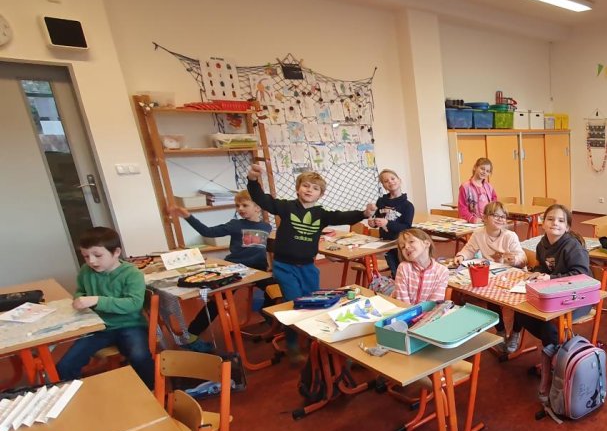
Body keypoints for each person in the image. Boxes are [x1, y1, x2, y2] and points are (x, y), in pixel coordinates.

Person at [246, 162, 376, 361]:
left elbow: (341, 216)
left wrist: (364, 214)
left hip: (308, 267)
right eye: (305, 186)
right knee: (296, 304)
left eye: (315, 188)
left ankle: (311, 340)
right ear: (298, 188)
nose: (309, 190)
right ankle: (292, 345)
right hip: (285, 267)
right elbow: (261, 199)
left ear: (320, 195)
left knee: (314, 304)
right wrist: (253, 179)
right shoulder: (286, 207)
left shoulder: (320, 214)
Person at [168, 191, 273, 352]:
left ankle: (269, 315)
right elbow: (207, 232)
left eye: (245, 205)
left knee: (276, 288)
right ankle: (191, 334)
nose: (240, 208)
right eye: (237, 205)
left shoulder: (266, 226)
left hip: (258, 271)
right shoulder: (235, 225)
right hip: (236, 269)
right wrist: (188, 216)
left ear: (258, 207)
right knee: (217, 301)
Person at [55, 227, 155, 387]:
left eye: (98, 255)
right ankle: (73, 395)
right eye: (86, 256)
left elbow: (134, 304)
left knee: (139, 357)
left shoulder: (131, 274)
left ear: (116, 252)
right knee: (65, 365)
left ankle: (153, 391)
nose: (91, 261)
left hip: (130, 325)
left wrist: (97, 300)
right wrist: (79, 299)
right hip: (98, 327)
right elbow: (81, 291)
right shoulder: (86, 271)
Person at [511, 205, 592, 400]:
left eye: (561, 220)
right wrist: (537, 272)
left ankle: (557, 360)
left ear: (567, 227)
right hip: (554, 295)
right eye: (550, 219)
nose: (555, 223)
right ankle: (557, 349)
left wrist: (551, 278)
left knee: (549, 321)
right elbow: (543, 266)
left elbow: (581, 275)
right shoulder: (542, 244)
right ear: (543, 223)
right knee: (522, 309)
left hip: (579, 297)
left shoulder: (572, 246)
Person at [452, 201, 527, 353]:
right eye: (495, 215)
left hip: (514, 274)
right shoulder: (479, 234)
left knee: (520, 303)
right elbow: (469, 249)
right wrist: (461, 256)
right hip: (494, 274)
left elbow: (521, 257)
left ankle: (516, 332)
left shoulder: (509, 236)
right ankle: (500, 330)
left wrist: (514, 259)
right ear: (485, 217)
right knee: (488, 295)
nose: (500, 219)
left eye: (503, 216)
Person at [366, 169, 415, 277]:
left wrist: (387, 223)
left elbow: (406, 227)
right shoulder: (381, 201)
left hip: (400, 244)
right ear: (383, 185)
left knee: (404, 270)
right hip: (385, 243)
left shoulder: (408, 205)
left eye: (393, 178)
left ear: (399, 180)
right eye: (386, 181)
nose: (390, 182)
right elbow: (378, 218)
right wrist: (373, 223)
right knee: (395, 270)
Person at [392, 229, 449, 304]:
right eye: (402, 247)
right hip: (403, 309)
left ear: (427, 243)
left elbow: (435, 304)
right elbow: (403, 303)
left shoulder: (442, 271)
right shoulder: (404, 268)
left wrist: (425, 312)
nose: (406, 247)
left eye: (411, 241)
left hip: (427, 311)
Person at [458, 158, 498, 223]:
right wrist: (472, 219)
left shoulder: (489, 187)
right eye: (482, 169)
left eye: (487, 171)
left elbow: (495, 203)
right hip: (472, 222)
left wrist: (491, 216)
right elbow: (462, 208)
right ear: (475, 167)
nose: (484, 172)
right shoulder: (465, 187)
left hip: (487, 221)